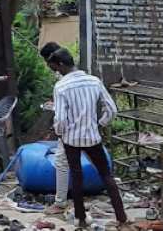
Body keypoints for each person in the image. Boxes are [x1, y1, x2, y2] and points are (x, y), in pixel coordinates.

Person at [48, 48, 129, 230]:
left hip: (71, 139)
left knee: (76, 177)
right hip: (93, 137)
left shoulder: (61, 86)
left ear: (61, 65)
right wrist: (100, 123)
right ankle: (122, 218)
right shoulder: (94, 81)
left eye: (56, 68)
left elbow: (60, 118)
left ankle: (81, 219)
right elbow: (112, 109)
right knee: (106, 175)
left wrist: (59, 132)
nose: (56, 72)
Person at [39, 41, 70, 215]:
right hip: (89, 129)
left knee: (62, 162)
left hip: (70, 130)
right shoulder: (87, 77)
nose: (47, 66)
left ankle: (60, 203)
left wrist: (58, 129)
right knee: (98, 164)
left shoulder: (63, 80)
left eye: (47, 61)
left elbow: (62, 111)